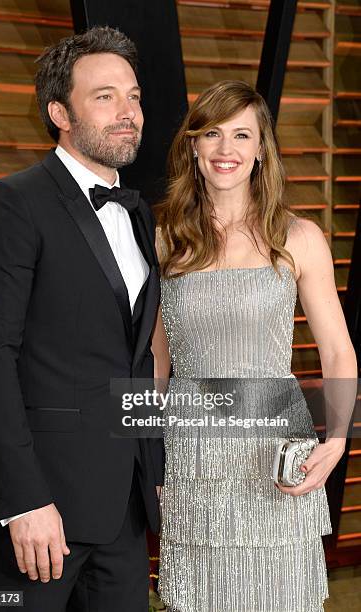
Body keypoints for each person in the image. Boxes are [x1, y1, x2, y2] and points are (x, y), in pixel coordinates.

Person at [0, 26, 163, 612]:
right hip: (34, 516)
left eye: (133, 96)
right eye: (104, 97)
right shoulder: (9, 203)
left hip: (122, 514)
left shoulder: (139, 213)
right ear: (59, 112)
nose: (127, 112)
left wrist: (154, 477)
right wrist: (25, 501)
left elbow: (136, 362)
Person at [151, 80, 357, 611]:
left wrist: (336, 442)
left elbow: (337, 351)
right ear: (193, 145)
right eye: (213, 134)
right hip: (193, 453)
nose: (227, 150)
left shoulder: (300, 237)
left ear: (261, 149)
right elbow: (155, 358)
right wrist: (147, 458)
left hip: (275, 453)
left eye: (242, 135)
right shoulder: (162, 239)